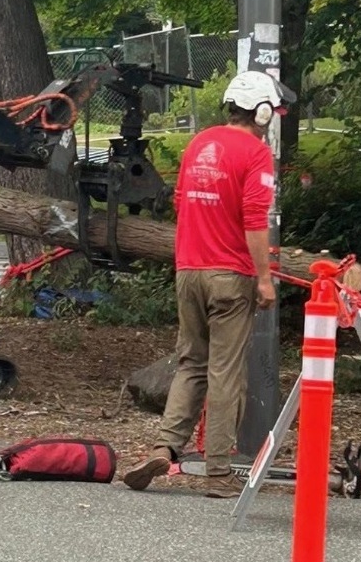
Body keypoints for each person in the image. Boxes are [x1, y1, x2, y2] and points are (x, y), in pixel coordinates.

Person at [124, 69, 294, 497]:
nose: (271, 116)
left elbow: (182, 202)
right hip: (229, 276)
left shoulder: (200, 143)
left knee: (191, 363)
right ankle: (218, 472)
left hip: (188, 270)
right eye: (271, 109)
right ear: (259, 111)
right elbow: (255, 222)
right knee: (225, 374)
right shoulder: (256, 154)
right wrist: (264, 279)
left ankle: (166, 445)